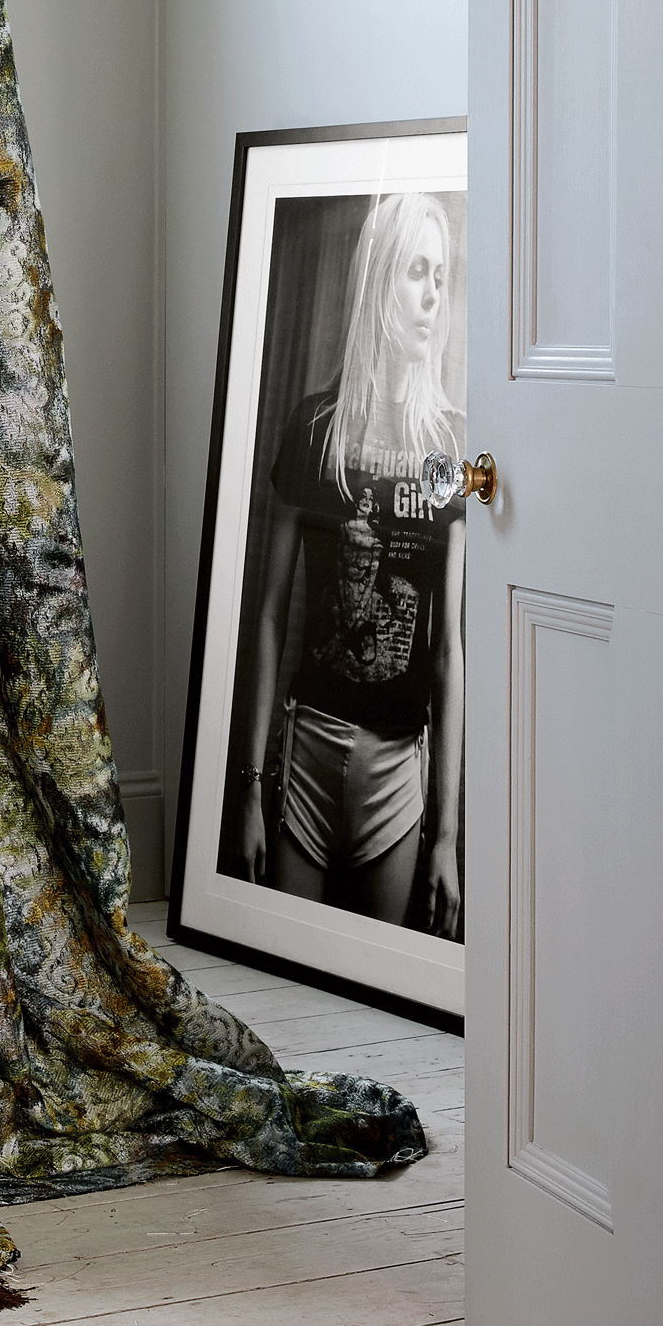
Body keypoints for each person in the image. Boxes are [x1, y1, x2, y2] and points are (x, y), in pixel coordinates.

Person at [234, 191, 465, 937]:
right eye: (416, 271)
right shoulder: (314, 426)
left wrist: (449, 837)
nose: (433, 293)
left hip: (399, 773)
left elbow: (448, 649)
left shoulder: (453, 448)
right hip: (305, 751)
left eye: (443, 275)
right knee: (288, 960)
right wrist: (247, 789)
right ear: (379, 279)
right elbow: (268, 615)